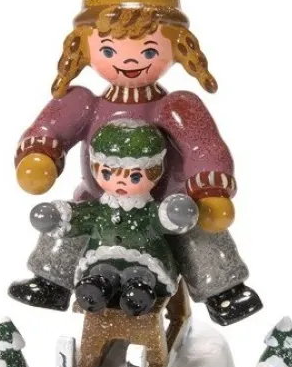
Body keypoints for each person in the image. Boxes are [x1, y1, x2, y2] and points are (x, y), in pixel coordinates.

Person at [10, 0, 262, 326]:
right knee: (69, 221)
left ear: (176, 48)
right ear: (85, 48)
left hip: (168, 208)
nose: (128, 61)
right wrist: (40, 154)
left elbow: (203, 146)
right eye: (109, 50)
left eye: (147, 52)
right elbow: (51, 129)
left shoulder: (175, 108)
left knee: (199, 234)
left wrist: (210, 187)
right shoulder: (84, 104)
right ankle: (51, 281)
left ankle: (222, 290)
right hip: (101, 203)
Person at [29, 121, 198, 317]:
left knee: (141, 277)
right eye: (107, 174)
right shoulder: (99, 209)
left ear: (156, 171)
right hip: (99, 260)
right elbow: (79, 217)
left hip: (145, 261)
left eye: (134, 177)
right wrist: (60, 216)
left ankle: (138, 292)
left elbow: (164, 218)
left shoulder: (149, 212)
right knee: (99, 273)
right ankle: (96, 288)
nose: (120, 183)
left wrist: (175, 214)